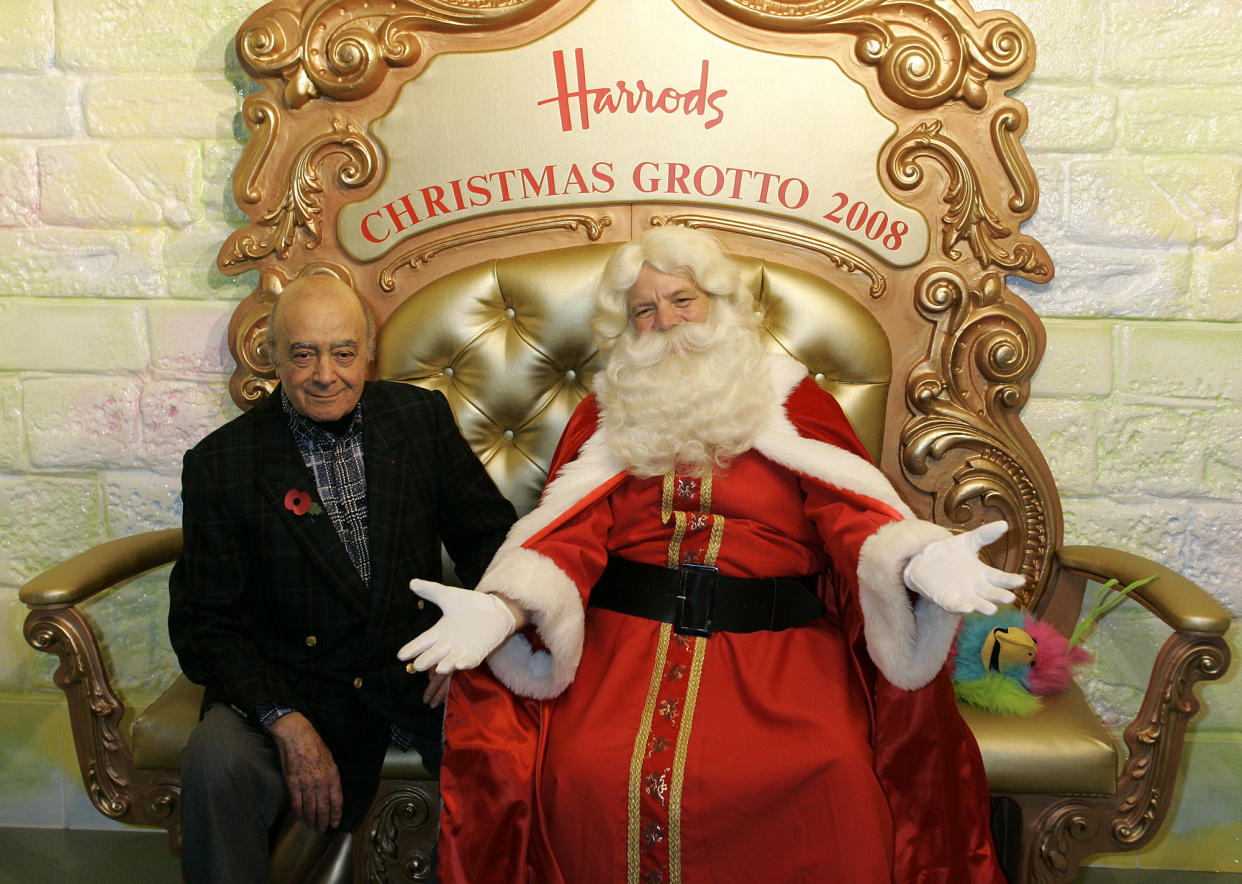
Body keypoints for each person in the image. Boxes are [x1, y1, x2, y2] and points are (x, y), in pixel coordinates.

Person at [400, 227, 1022, 883]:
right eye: (644, 310)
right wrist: (503, 607)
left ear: (719, 306)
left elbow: (853, 514)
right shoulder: (607, 416)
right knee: (582, 769)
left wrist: (914, 562)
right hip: (624, 647)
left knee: (833, 765)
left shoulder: (791, 401)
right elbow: (568, 535)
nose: (664, 321)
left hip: (780, 649)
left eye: (681, 300)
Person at [168, 274, 516, 883]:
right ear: (273, 356)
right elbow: (203, 623)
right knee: (214, 762)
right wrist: (281, 717)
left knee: (519, 747)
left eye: (343, 352)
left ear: (368, 349)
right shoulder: (221, 463)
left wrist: (469, 636)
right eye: (302, 353)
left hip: (416, 669)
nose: (325, 373)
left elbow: (490, 538)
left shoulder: (418, 418)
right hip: (291, 681)